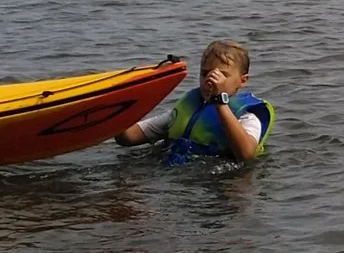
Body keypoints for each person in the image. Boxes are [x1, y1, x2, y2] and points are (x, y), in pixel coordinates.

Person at [116, 39, 272, 163]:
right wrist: (120, 106)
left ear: (243, 80)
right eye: (205, 74)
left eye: (221, 75)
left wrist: (219, 101)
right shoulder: (186, 110)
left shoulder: (248, 116)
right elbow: (128, 138)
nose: (210, 81)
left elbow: (246, 155)